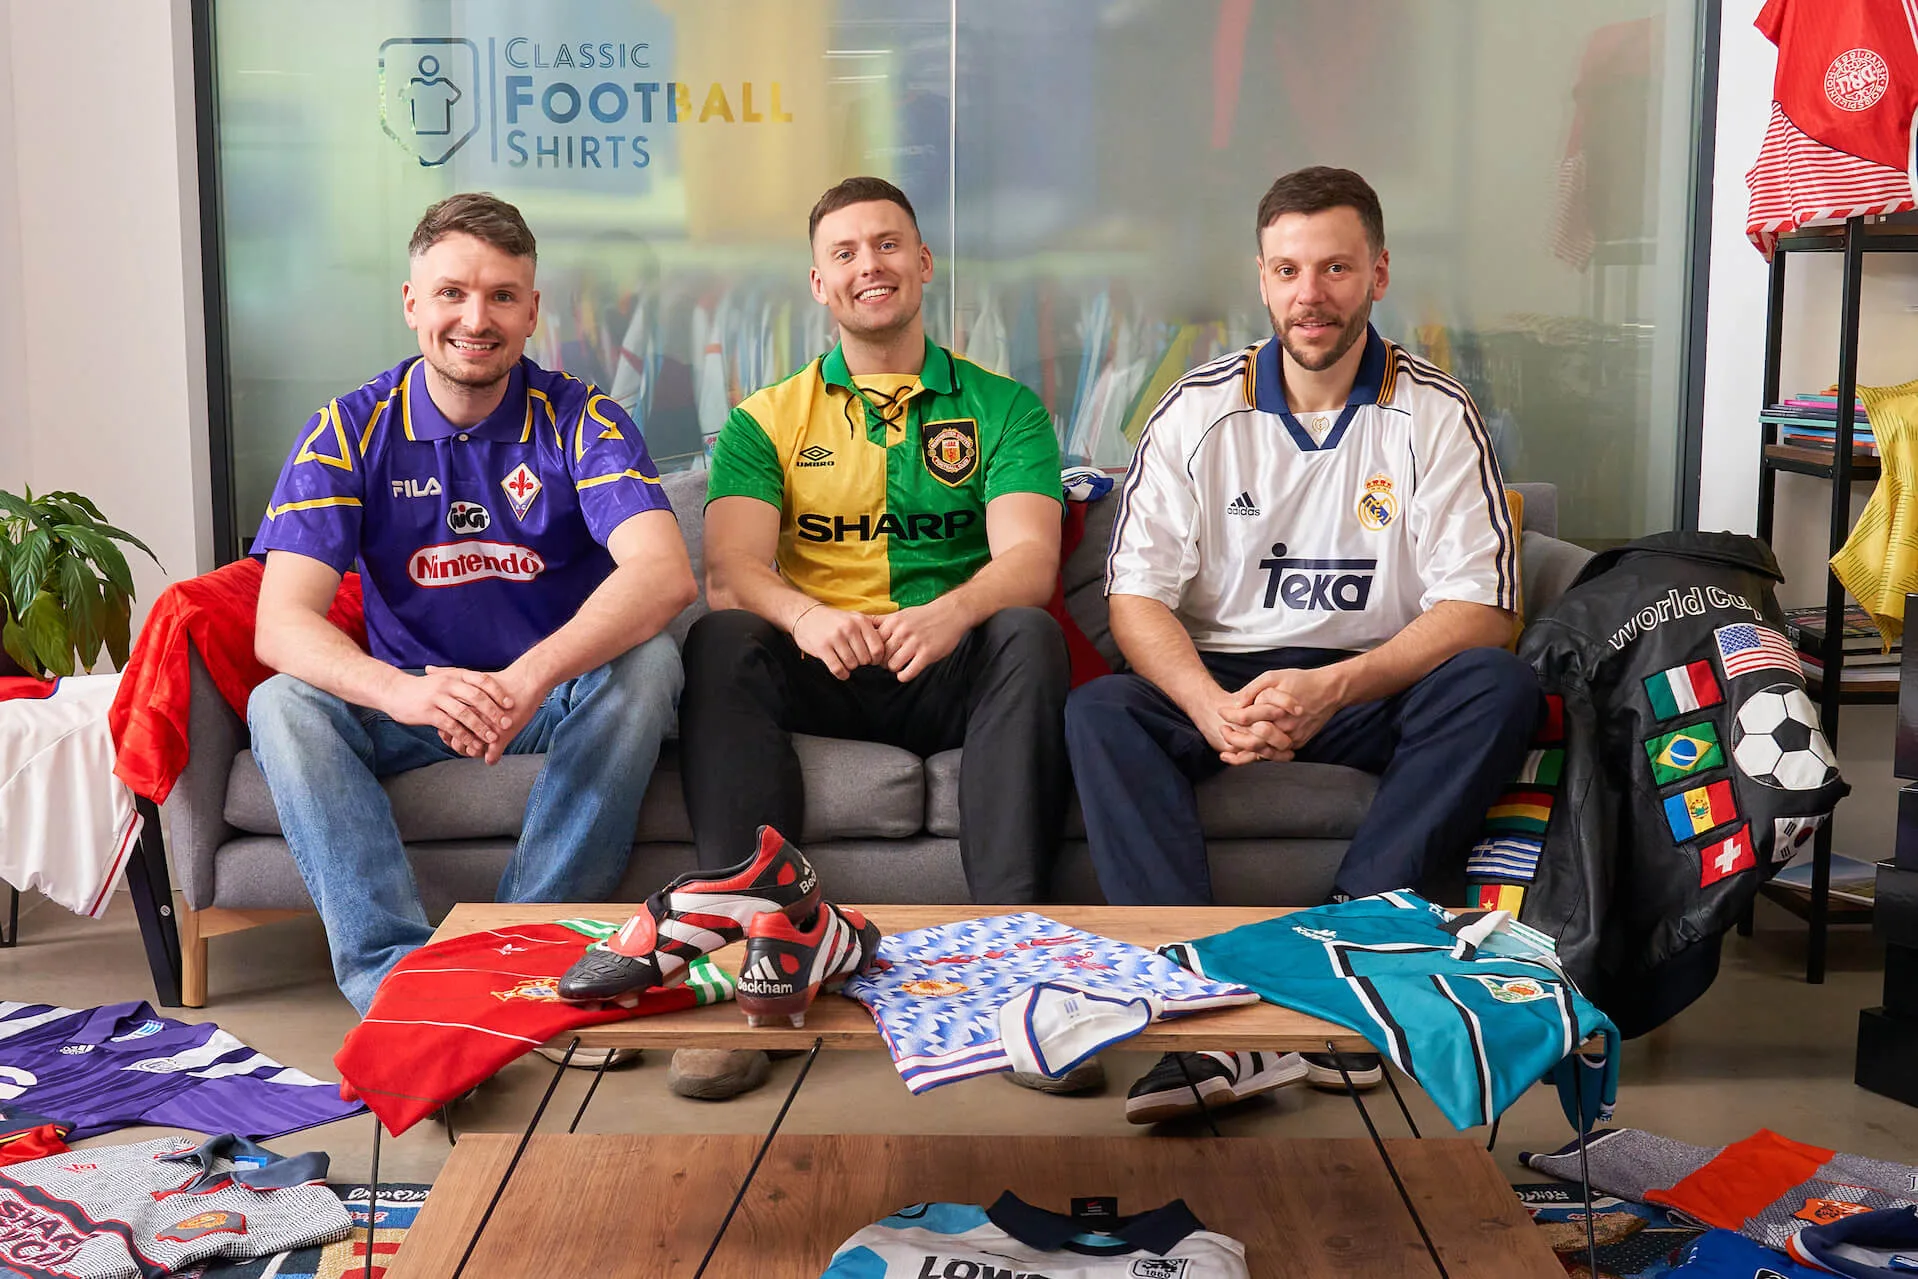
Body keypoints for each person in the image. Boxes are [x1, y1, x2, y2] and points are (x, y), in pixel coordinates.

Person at [1066, 167, 1542, 1123]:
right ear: (1263, 278)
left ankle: (1346, 956)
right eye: (1289, 269)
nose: (1310, 293)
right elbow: (1135, 598)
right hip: (1222, 675)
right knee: (1099, 710)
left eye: (1334, 267)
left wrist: (1339, 687)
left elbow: (1484, 607)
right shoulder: (1195, 411)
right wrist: (1206, 703)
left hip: (1376, 676)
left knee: (1496, 686)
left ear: (1378, 273)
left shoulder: (1437, 414)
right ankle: (1204, 1004)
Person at [248, 193, 694, 1057]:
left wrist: (529, 677)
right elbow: (280, 623)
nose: (474, 318)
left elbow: (664, 572)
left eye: (500, 296)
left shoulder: (582, 419)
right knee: (282, 703)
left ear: (532, 310)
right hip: (412, 707)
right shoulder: (349, 427)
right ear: (412, 303)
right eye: (451, 292)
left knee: (650, 668)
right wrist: (403, 692)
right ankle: (401, 986)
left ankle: (530, 963)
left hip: (552, 699)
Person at [673, 176, 1071, 1101]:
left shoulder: (1004, 407)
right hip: (828, 665)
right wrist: (810, 619)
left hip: (950, 662)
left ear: (923, 263)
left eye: (888, 245)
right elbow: (732, 568)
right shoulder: (763, 418)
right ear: (818, 284)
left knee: (1028, 630)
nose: (870, 266)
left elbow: (1029, 562)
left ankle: (1021, 983)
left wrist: (952, 611)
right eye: (845, 253)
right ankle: (761, 976)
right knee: (722, 638)